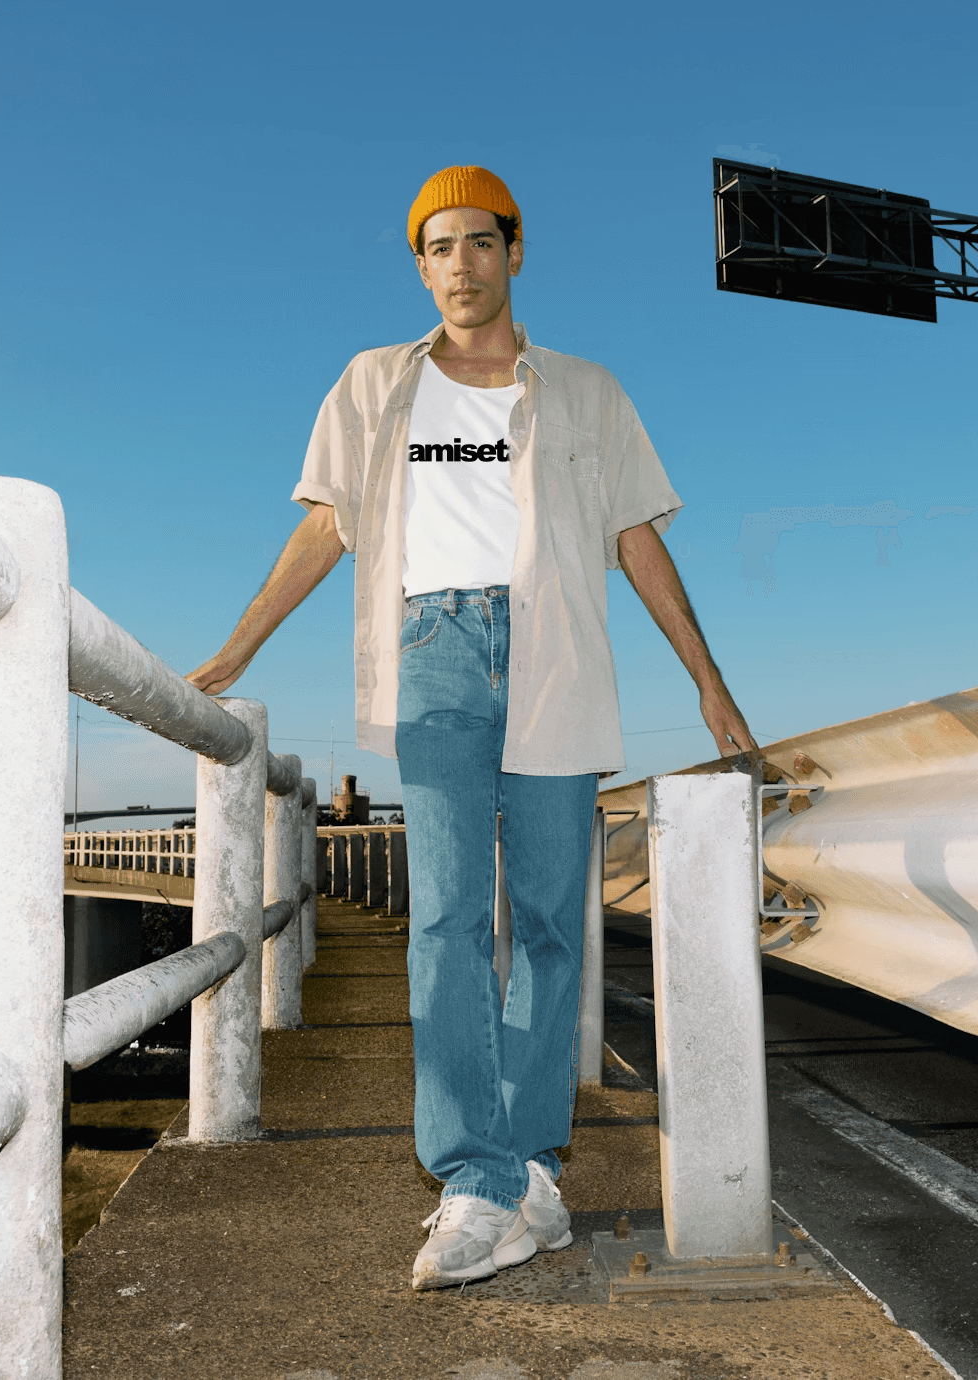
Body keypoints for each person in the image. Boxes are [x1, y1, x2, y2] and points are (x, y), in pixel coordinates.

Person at [187, 166, 753, 1289]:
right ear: (421, 264)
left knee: (549, 918)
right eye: (438, 247)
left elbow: (640, 541)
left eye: (481, 243)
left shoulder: (586, 391)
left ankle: (533, 1173)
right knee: (445, 917)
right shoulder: (371, 385)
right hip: (433, 650)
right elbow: (324, 531)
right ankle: (472, 1175)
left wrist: (709, 683)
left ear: (515, 252)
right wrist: (235, 651)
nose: (461, 265)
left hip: (554, 656)